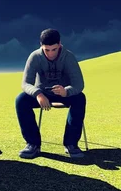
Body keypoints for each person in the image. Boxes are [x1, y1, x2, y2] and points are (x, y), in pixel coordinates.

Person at [15, 28, 87, 159]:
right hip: (42, 93)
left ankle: (71, 144)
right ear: (41, 46)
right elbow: (25, 83)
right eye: (46, 50)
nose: (50, 53)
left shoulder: (68, 56)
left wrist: (66, 91)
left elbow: (79, 84)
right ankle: (33, 144)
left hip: (63, 92)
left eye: (53, 49)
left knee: (80, 98)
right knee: (21, 100)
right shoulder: (35, 56)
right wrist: (38, 94)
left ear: (59, 44)